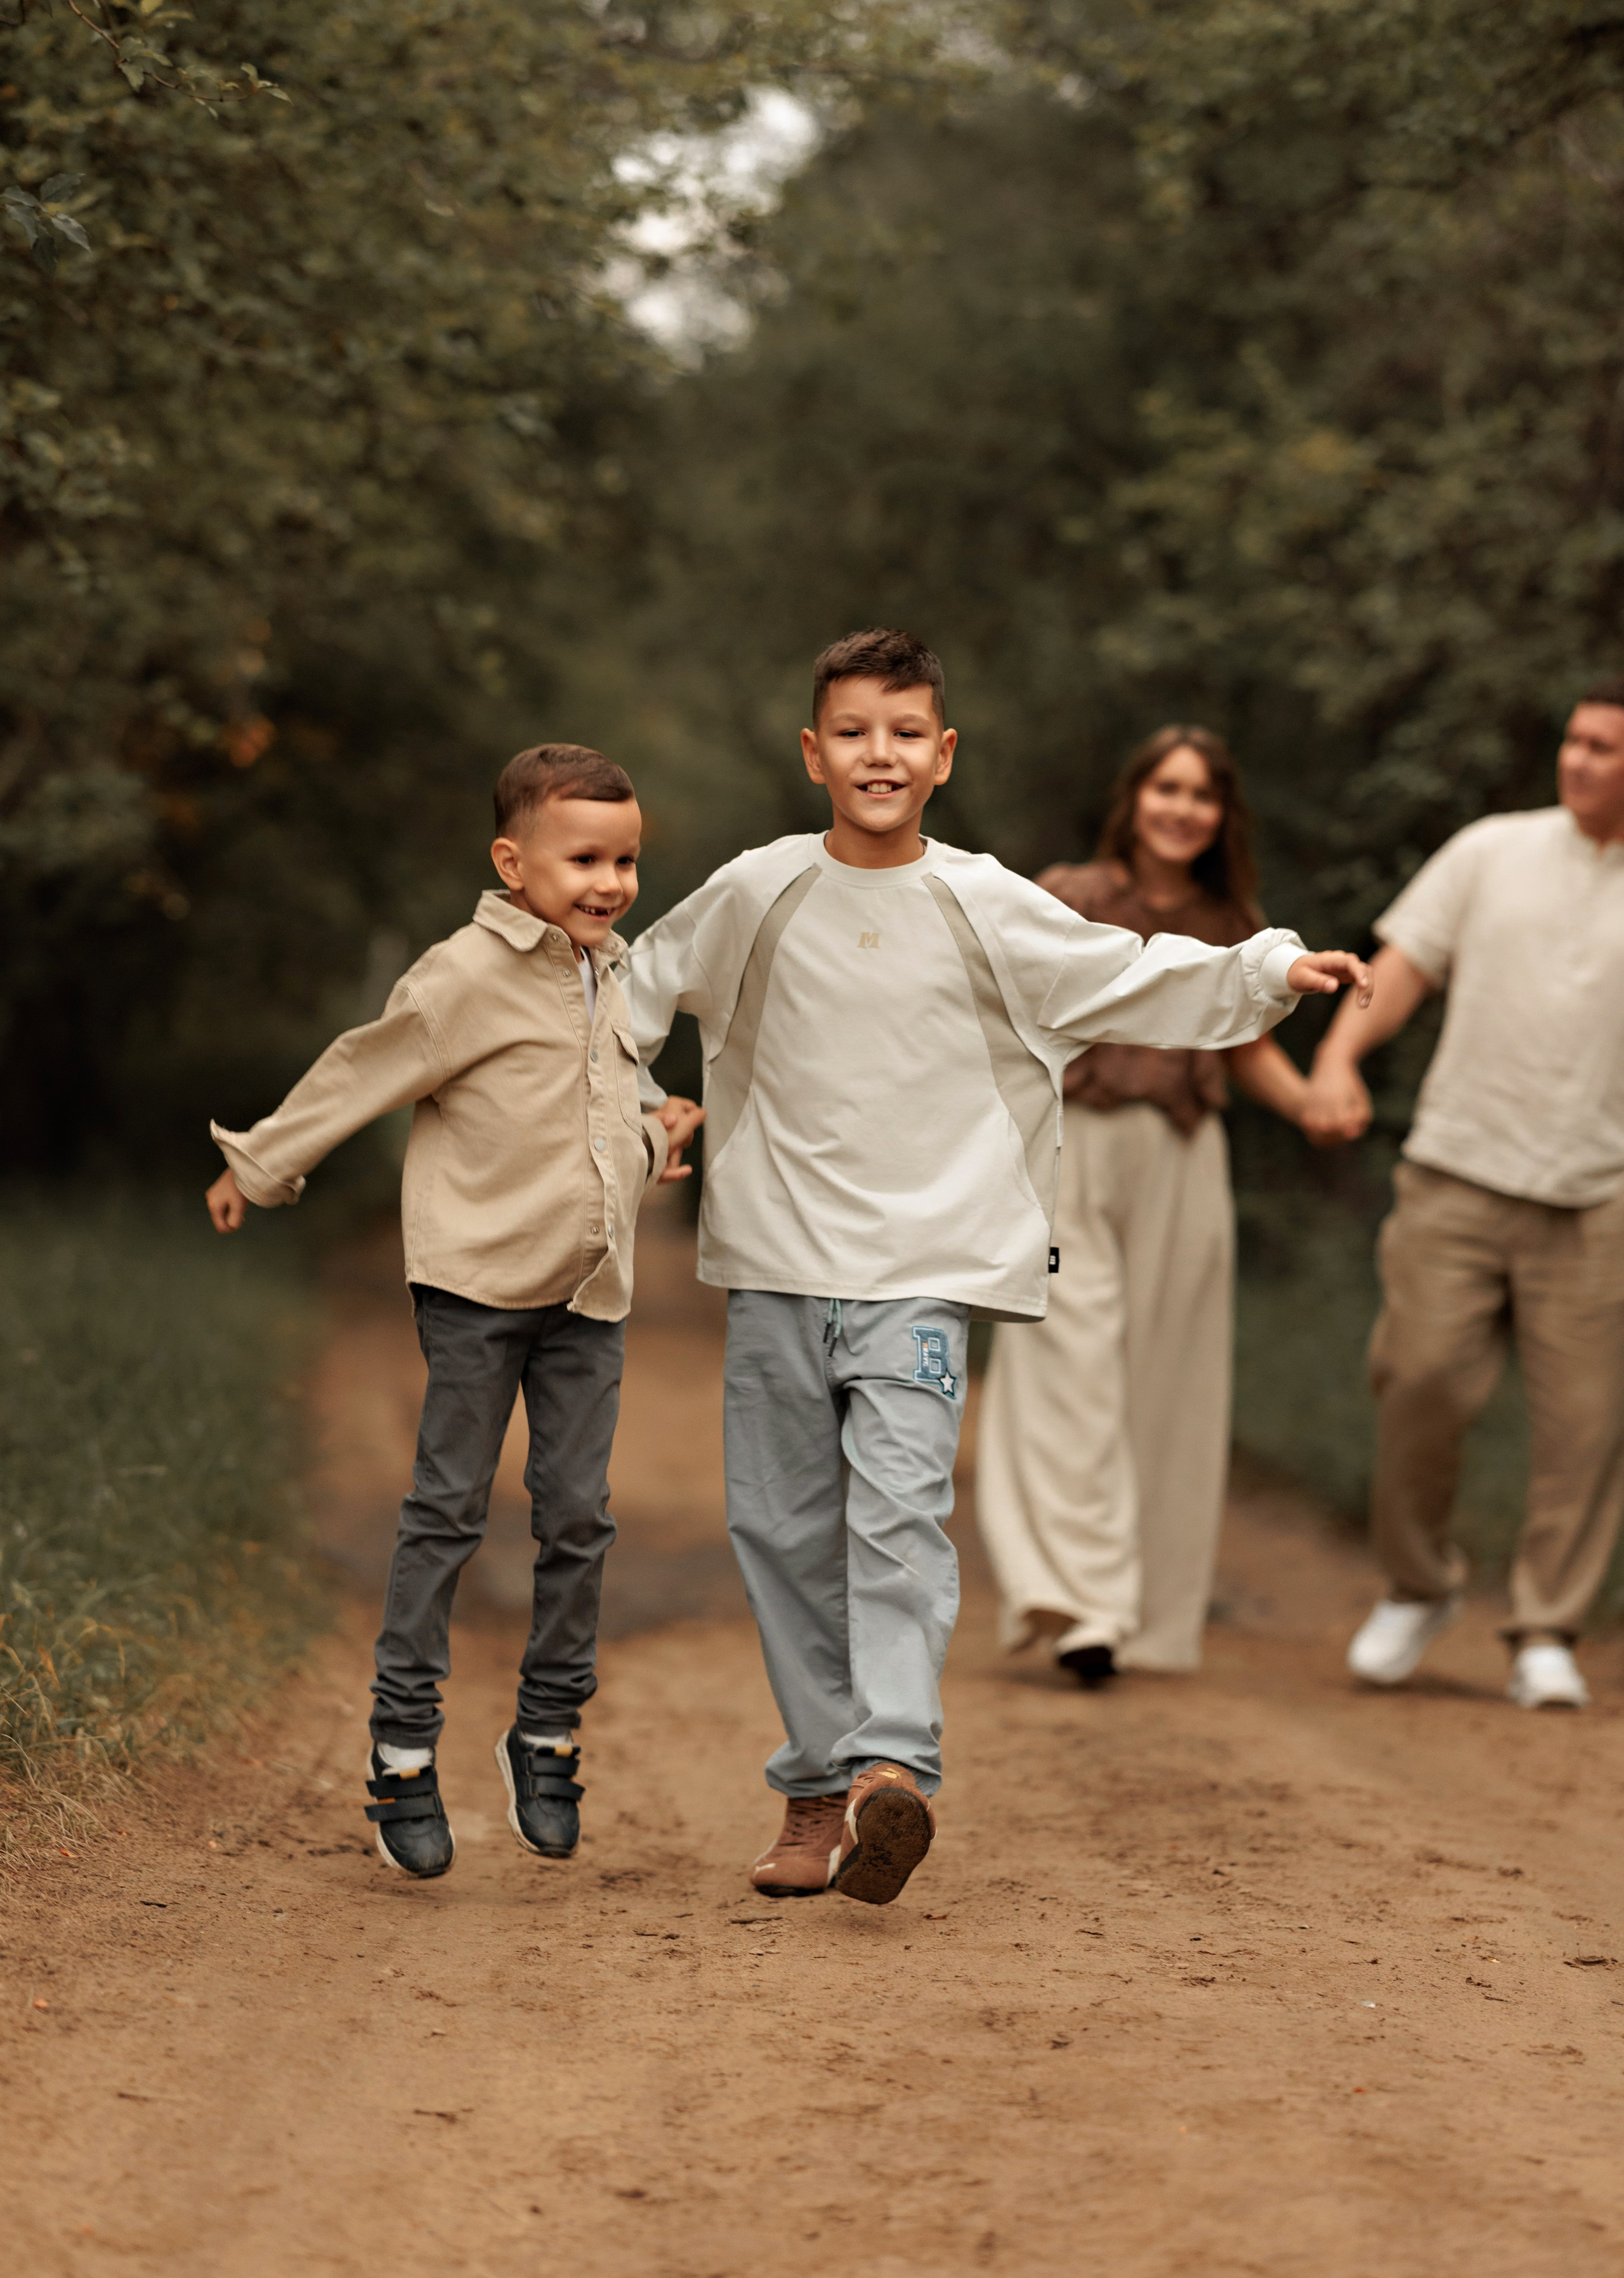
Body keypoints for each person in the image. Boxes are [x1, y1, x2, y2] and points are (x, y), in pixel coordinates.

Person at [625, 629, 1370, 1907]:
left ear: (943, 754)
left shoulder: (984, 899)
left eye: (904, 731)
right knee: (782, 1528)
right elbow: (628, 993)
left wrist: (1263, 972)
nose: (879, 754)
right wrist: (642, 1106)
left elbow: (1127, 969)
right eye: (853, 731)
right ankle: (811, 1787)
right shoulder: (754, 892)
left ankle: (886, 1771)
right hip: (776, 1266)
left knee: (899, 1515)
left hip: (924, 1264)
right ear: (813, 752)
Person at [204, 744, 703, 1878]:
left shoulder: (610, 971)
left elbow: (598, 1102)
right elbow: (359, 1070)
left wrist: (657, 1130)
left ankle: (547, 1730)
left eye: (625, 859)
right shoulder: (461, 976)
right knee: (448, 1510)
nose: (610, 881)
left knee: (578, 1516)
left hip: (589, 1293)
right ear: (512, 861)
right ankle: (401, 1751)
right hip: (477, 1287)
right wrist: (264, 1164)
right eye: (584, 858)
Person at [1303, 677, 1624, 1709]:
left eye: (1606, 749)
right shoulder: (1492, 849)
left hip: (1598, 1196)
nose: (1581, 762)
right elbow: (1401, 970)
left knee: (1586, 1423)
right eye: (1575, 741)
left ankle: (1546, 1629)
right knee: (1421, 1377)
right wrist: (1340, 1057)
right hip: (1457, 1169)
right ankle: (1417, 1585)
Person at [976, 728, 1313, 1686]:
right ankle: (1080, 1602)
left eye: (1202, 795)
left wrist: (1311, 1103)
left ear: (1221, 816)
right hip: (1071, 1146)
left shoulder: (1229, 915)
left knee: (1169, 1369)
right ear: (1135, 797)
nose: (1182, 808)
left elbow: (1246, 1047)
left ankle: (1149, 1612)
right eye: (1167, 787)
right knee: (1065, 1359)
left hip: (1180, 1150)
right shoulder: (1070, 896)